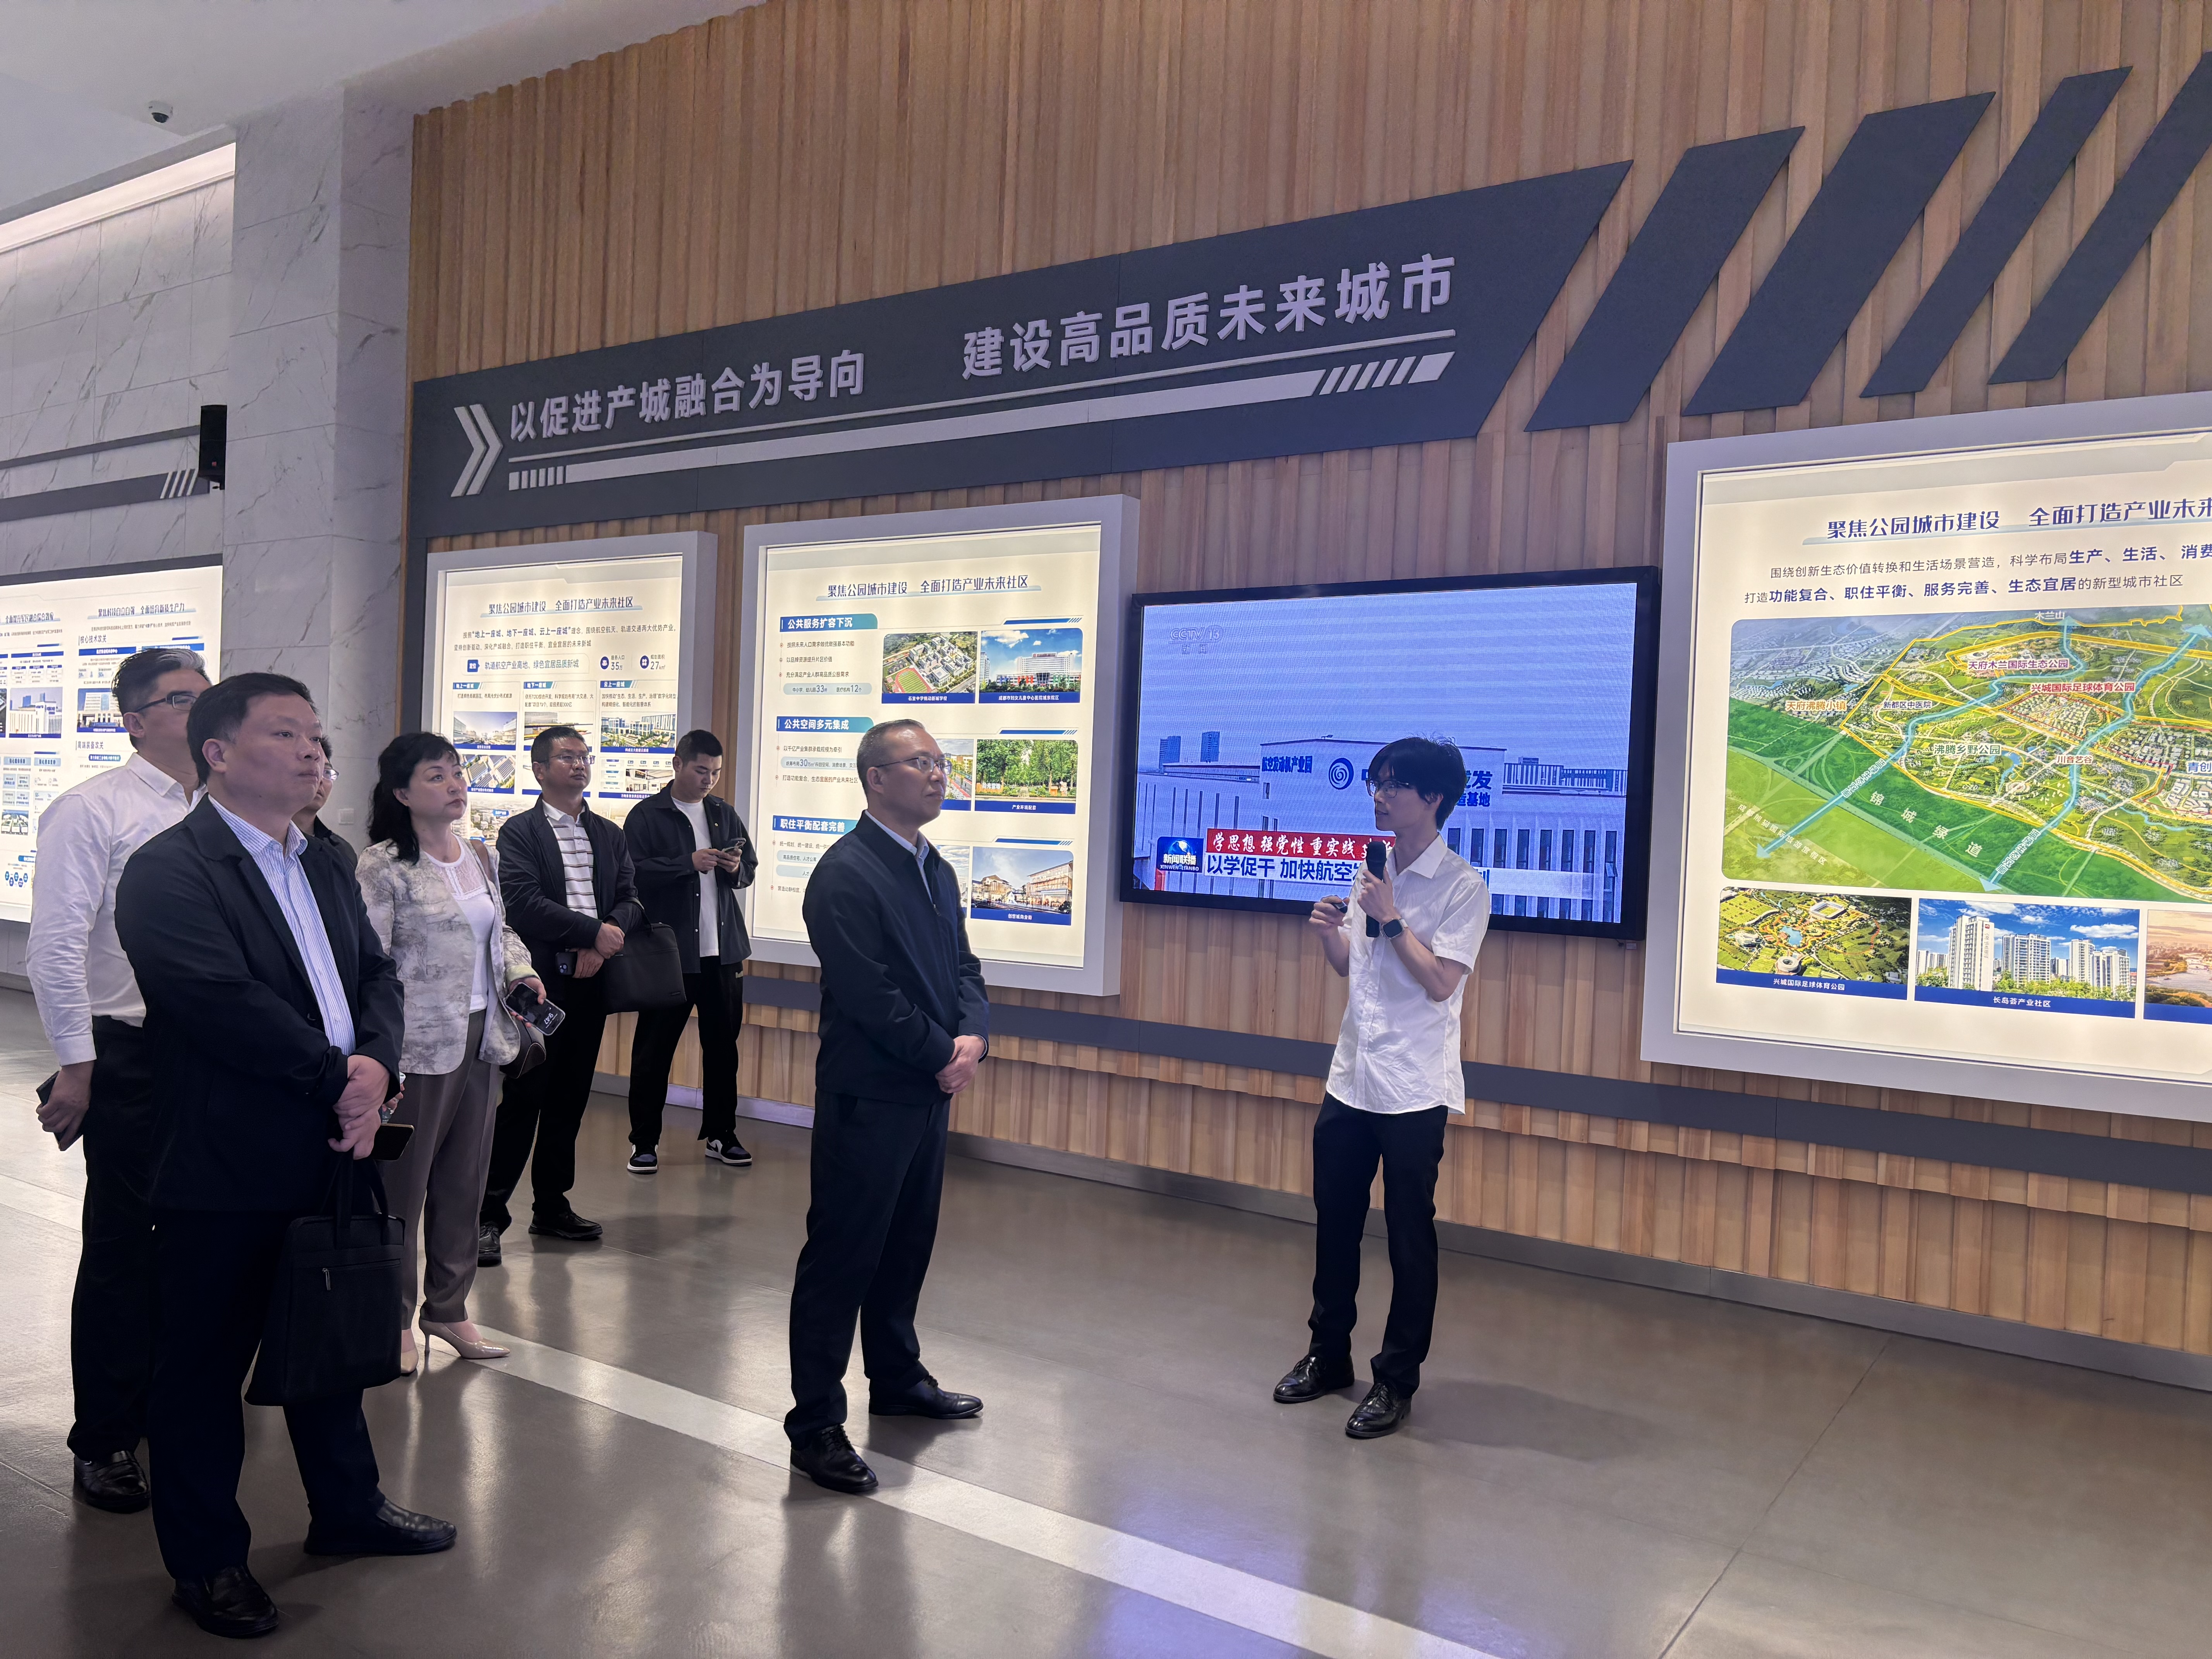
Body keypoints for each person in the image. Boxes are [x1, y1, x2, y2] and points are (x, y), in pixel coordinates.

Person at [113, 672, 453, 1639]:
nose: (312, 751)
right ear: (218, 754)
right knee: (202, 1371)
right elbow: (219, 1002)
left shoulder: (325, 857)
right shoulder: (170, 870)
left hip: (335, 1144)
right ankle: (207, 1560)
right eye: (285, 734)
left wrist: (377, 1064)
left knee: (329, 1343)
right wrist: (341, 1079)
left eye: (315, 734)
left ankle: (348, 1507)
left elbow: (376, 973)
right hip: (226, 1161)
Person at [785, 718, 989, 1495]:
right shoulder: (844, 874)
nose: (938, 774)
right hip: (870, 1094)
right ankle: (815, 1424)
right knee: (842, 1257)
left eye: (940, 761)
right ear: (876, 778)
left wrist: (972, 1036)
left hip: (927, 1088)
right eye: (920, 762)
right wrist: (943, 1052)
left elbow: (964, 966)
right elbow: (870, 995)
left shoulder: (935, 867)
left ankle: (898, 1378)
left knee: (907, 1244)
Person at [26, 645, 208, 1515]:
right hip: (129, 1051)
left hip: (218, 1052)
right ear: (136, 721)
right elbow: (57, 943)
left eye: (209, 697)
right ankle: (103, 1437)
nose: (201, 712)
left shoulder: (227, 809)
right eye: (181, 700)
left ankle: (174, 1408)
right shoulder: (91, 809)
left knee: (203, 1242)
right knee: (123, 1247)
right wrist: (77, 1064)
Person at [1273, 737, 1490, 1440]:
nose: (1379, 796)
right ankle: (1328, 1354)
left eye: (1394, 784)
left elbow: (1440, 982)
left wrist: (1392, 916)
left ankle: (1396, 1379)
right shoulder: (1373, 869)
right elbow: (1355, 970)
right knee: (1334, 1223)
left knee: (1407, 1238)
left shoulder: (1462, 886)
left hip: (1413, 1087)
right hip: (1351, 1076)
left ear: (1433, 798)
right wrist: (1330, 937)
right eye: (1376, 783)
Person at [357, 732, 542, 1372]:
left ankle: (448, 1306)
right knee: (401, 1189)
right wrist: (378, 1052)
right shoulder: (383, 865)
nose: (455, 784)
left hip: (484, 1035)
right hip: (414, 1045)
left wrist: (521, 970)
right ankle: (389, 1316)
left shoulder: (480, 853)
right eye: (436, 776)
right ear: (403, 793)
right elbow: (370, 960)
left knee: (465, 1182)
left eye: (457, 772)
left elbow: (501, 929)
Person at [478, 725, 644, 1260]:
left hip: (592, 980)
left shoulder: (608, 832)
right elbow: (523, 902)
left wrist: (607, 937)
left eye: (584, 756)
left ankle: (552, 1207)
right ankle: (487, 1216)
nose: (579, 764)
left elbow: (630, 897)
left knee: (571, 1097)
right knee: (524, 1098)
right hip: (541, 984)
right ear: (540, 770)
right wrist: (591, 933)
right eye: (567, 757)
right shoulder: (521, 832)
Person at [622, 728, 757, 1172]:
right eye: (701, 771)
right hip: (671, 957)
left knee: (722, 1051)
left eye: (715, 773)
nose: (709, 780)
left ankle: (721, 1134)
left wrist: (734, 867)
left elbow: (748, 870)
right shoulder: (647, 815)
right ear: (678, 764)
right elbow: (632, 874)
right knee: (653, 1053)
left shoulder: (723, 813)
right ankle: (644, 1142)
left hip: (723, 954)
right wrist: (687, 864)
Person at [295, 735, 357, 878]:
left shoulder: (341, 850)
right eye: (312, 770)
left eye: (327, 772)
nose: (320, 780)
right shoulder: (266, 842)